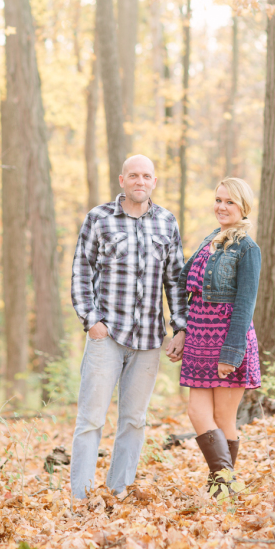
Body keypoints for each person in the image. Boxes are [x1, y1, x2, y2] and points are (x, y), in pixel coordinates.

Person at [70, 154, 187, 500]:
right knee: (91, 419)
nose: (140, 181)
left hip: (149, 339)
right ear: (122, 180)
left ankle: (118, 492)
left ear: (154, 182)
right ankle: (81, 497)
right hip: (107, 335)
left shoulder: (167, 222)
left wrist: (180, 327)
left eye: (146, 175)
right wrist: (91, 321)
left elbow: (176, 282)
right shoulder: (99, 218)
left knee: (134, 420)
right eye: (133, 175)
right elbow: (81, 270)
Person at [178, 177, 261, 495]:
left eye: (229, 202)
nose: (221, 207)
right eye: (218, 200)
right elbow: (191, 293)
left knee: (224, 417)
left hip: (227, 339)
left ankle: (222, 486)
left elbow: (245, 304)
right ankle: (223, 482)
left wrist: (232, 353)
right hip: (199, 339)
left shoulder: (247, 249)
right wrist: (182, 332)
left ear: (243, 207)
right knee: (197, 412)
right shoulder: (210, 239)